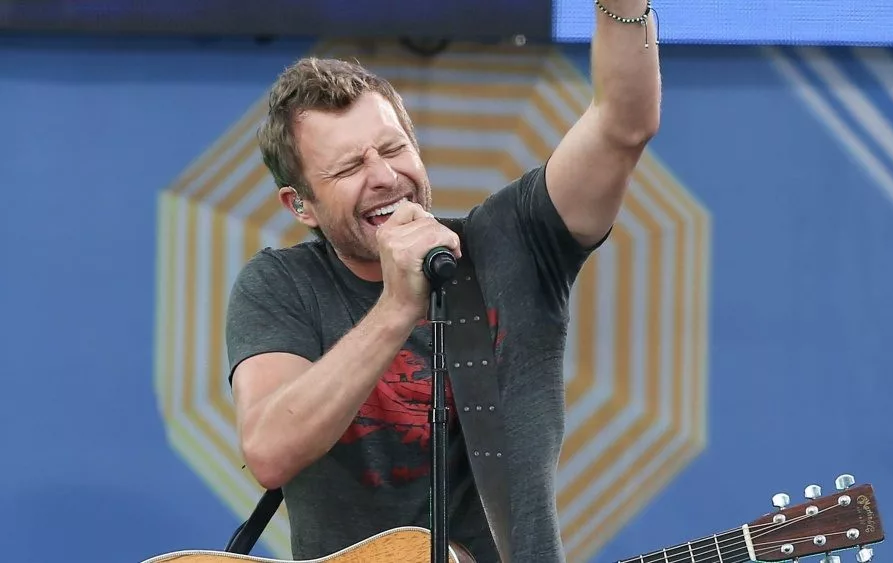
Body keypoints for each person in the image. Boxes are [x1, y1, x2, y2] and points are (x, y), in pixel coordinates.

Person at [224, 2, 660, 561]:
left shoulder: (515, 243)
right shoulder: (281, 284)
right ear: (300, 204)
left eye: (392, 149)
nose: (384, 177)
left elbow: (623, 126)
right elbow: (269, 452)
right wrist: (397, 306)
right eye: (349, 168)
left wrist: (622, 7)